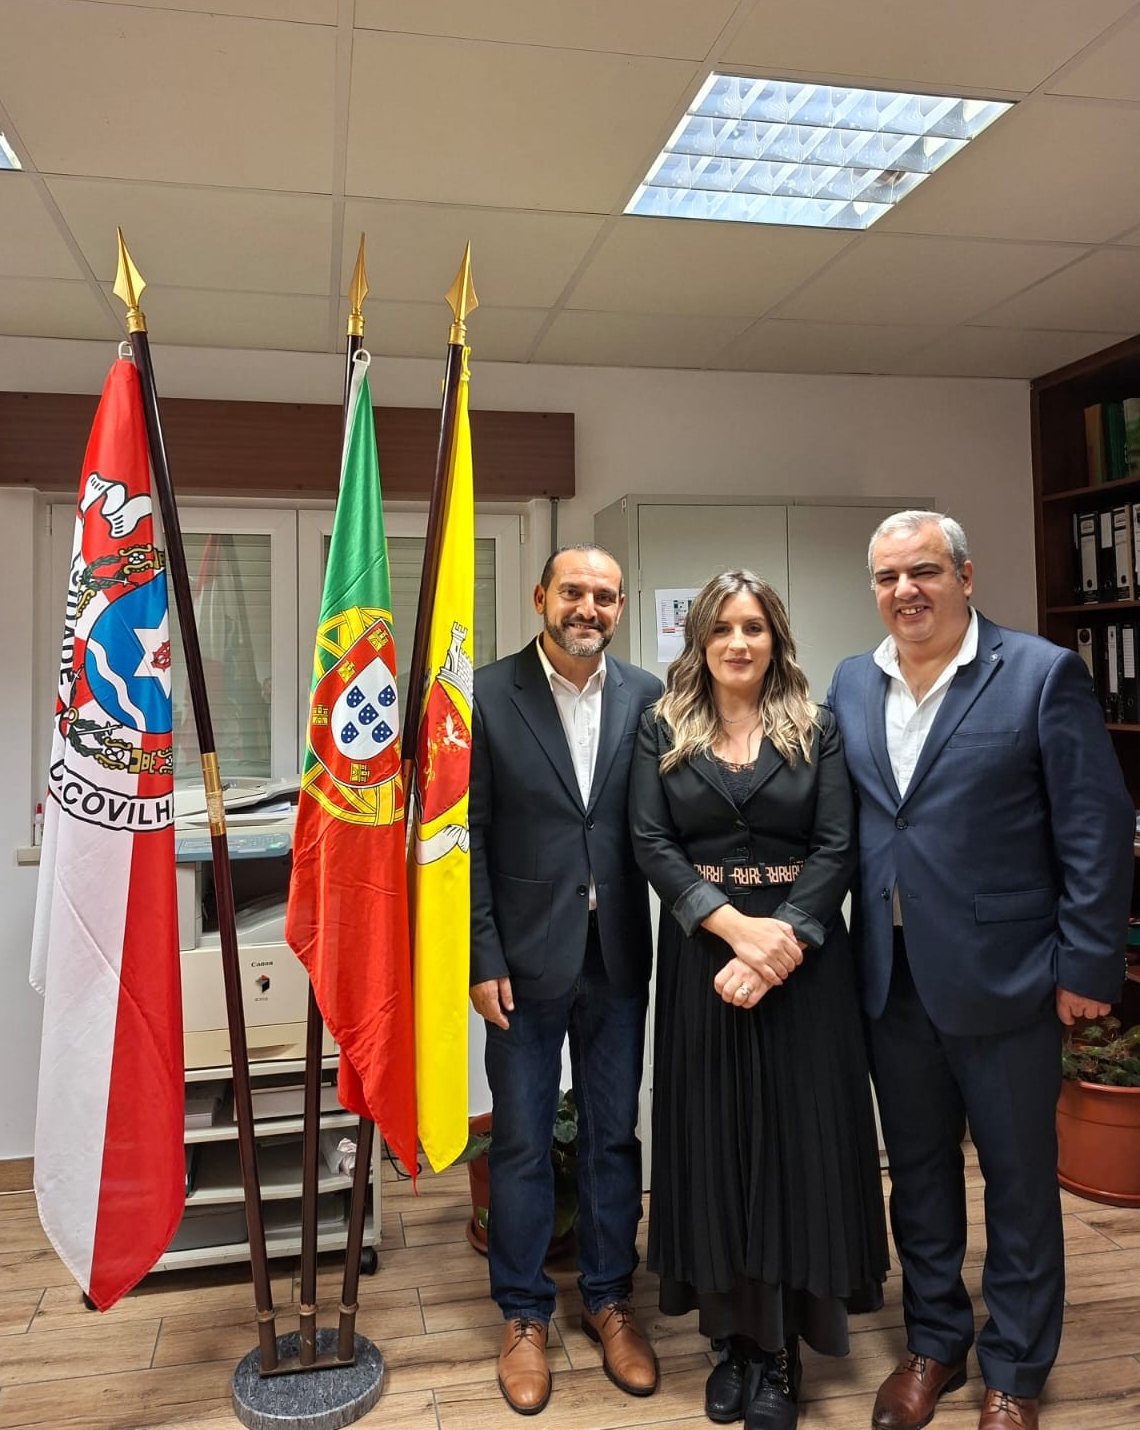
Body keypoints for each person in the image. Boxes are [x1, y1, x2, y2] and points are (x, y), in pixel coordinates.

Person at [828, 510, 1134, 1430]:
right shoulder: (852, 681)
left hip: (1010, 979)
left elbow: (1094, 828)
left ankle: (1016, 1369)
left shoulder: (1039, 673)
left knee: (1019, 1181)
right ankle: (935, 1343)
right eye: (887, 577)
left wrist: (1088, 964)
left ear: (964, 575)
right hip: (891, 979)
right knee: (918, 1175)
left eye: (923, 571)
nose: (905, 591)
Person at [630, 570, 888, 1430]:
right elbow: (651, 841)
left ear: (776, 638)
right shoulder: (661, 726)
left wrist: (781, 947)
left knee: (793, 1145)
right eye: (722, 628)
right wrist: (736, 929)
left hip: (804, 967)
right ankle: (731, 1342)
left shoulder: (817, 727)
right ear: (699, 640)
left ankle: (780, 1353)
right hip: (704, 958)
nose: (738, 643)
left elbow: (837, 845)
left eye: (754, 627)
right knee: (714, 1142)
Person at [469, 544, 663, 1415]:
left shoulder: (648, 696)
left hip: (616, 954)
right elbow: (466, 836)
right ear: (541, 595)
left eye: (606, 597)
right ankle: (523, 1313)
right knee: (519, 1142)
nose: (589, 608)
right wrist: (480, 956)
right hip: (519, 961)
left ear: (620, 608)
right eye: (574, 591)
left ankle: (609, 1298)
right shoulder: (485, 694)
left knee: (613, 1136)